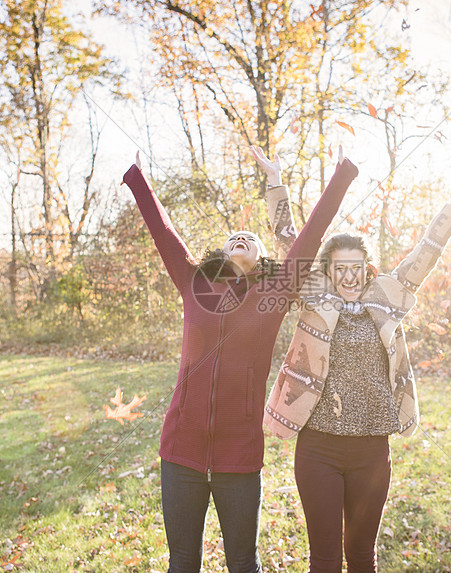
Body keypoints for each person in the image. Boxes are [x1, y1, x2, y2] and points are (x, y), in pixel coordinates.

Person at [122, 147, 358, 573]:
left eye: (250, 237)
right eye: (233, 236)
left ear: (263, 257)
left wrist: (341, 175)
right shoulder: (194, 281)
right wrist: (138, 177)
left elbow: (311, 236)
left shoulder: (275, 293)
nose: (240, 236)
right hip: (180, 451)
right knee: (182, 563)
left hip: (240, 455)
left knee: (243, 564)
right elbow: (164, 231)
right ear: (221, 251)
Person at [264, 176, 451, 573]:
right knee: (323, 558)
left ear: (367, 270)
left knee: (361, 558)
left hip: (371, 450)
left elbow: (426, 252)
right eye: (340, 269)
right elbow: (289, 238)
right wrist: (274, 182)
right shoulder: (315, 295)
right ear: (328, 271)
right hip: (318, 447)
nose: (349, 277)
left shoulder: (386, 296)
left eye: (356, 268)